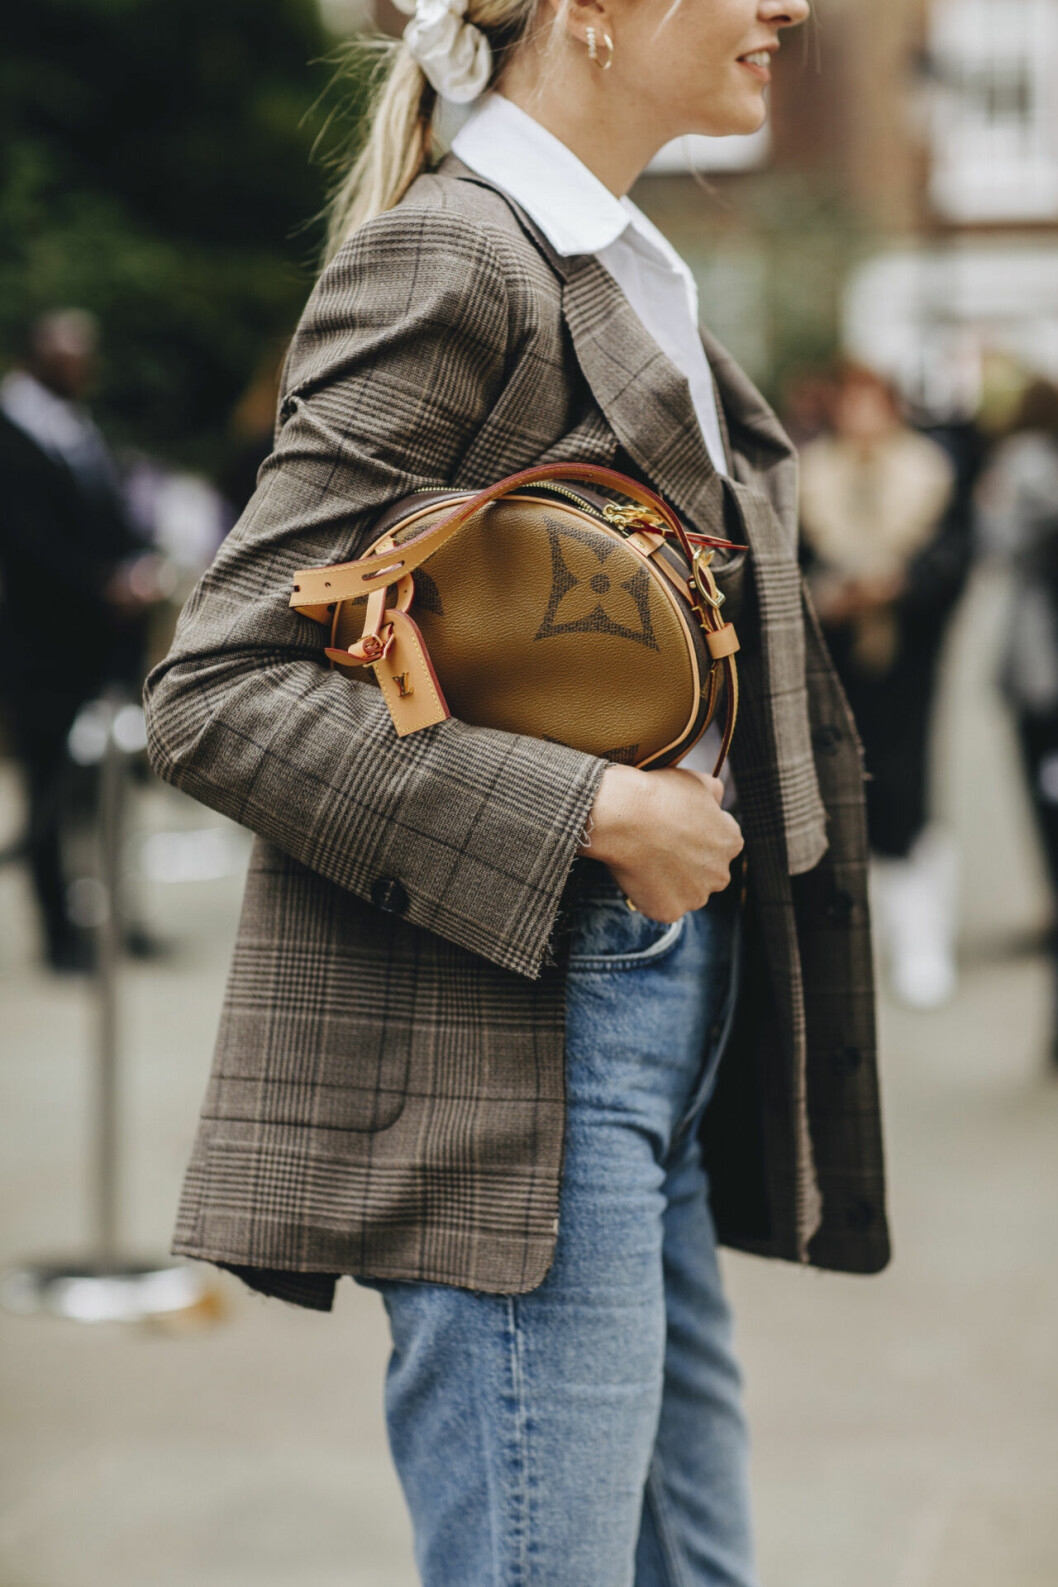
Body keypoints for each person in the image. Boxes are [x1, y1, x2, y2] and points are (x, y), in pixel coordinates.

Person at [143, 0, 889, 1579]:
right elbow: (218, 687)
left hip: (659, 1028)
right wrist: (596, 813)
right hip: (526, 1047)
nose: (791, 6)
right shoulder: (457, 256)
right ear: (591, 13)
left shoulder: (615, 256)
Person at [799, 362, 967, 1010]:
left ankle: (921, 937)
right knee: (842, 790)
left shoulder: (929, 471)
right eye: (852, 402)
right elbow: (794, 562)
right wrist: (831, 595)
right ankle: (857, 934)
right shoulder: (812, 475)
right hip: (836, 660)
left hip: (907, 659)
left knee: (905, 788)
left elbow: (954, 559)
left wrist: (904, 586)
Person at [0, 310, 161, 971]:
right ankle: (58, 933)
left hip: (101, 644)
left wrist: (138, 566)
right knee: (47, 788)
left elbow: (109, 518)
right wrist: (103, 586)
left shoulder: (77, 427)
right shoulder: (12, 432)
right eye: (70, 354)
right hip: (41, 645)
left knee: (109, 787)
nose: (82, 366)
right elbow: (25, 542)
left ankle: (117, 919)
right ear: (36, 355)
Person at [976, 378, 1058, 1066]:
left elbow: (996, 541)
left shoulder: (1022, 464)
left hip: (1040, 673)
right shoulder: (1028, 462)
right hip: (1041, 668)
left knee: (1045, 800)